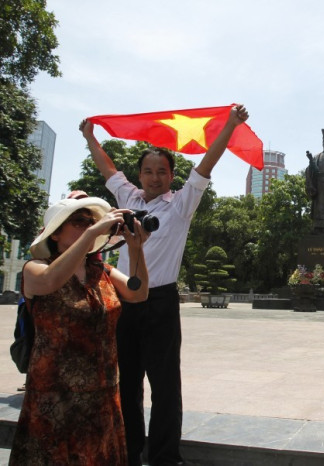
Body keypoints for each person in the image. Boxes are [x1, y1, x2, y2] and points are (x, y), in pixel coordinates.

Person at [80, 104, 249, 466]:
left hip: (160, 303)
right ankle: (126, 454)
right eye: (148, 171)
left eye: (162, 172)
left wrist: (231, 126)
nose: (154, 178)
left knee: (165, 387)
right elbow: (108, 169)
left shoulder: (181, 206)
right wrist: (90, 137)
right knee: (126, 385)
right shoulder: (127, 200)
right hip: (125, 300)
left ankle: (164, 457)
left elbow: (206, 164)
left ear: (171, 176)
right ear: (140, 175)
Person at [10, 197, 149, 465]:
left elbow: (139, 292)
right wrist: (92, 233)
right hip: (55, 396)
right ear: (56, 231)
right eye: (78, 222)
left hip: (102, 392)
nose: (87, 226)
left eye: (90, 221)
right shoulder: (35, 268)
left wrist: (136, 249)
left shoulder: (102, 270)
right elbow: (50, 280)